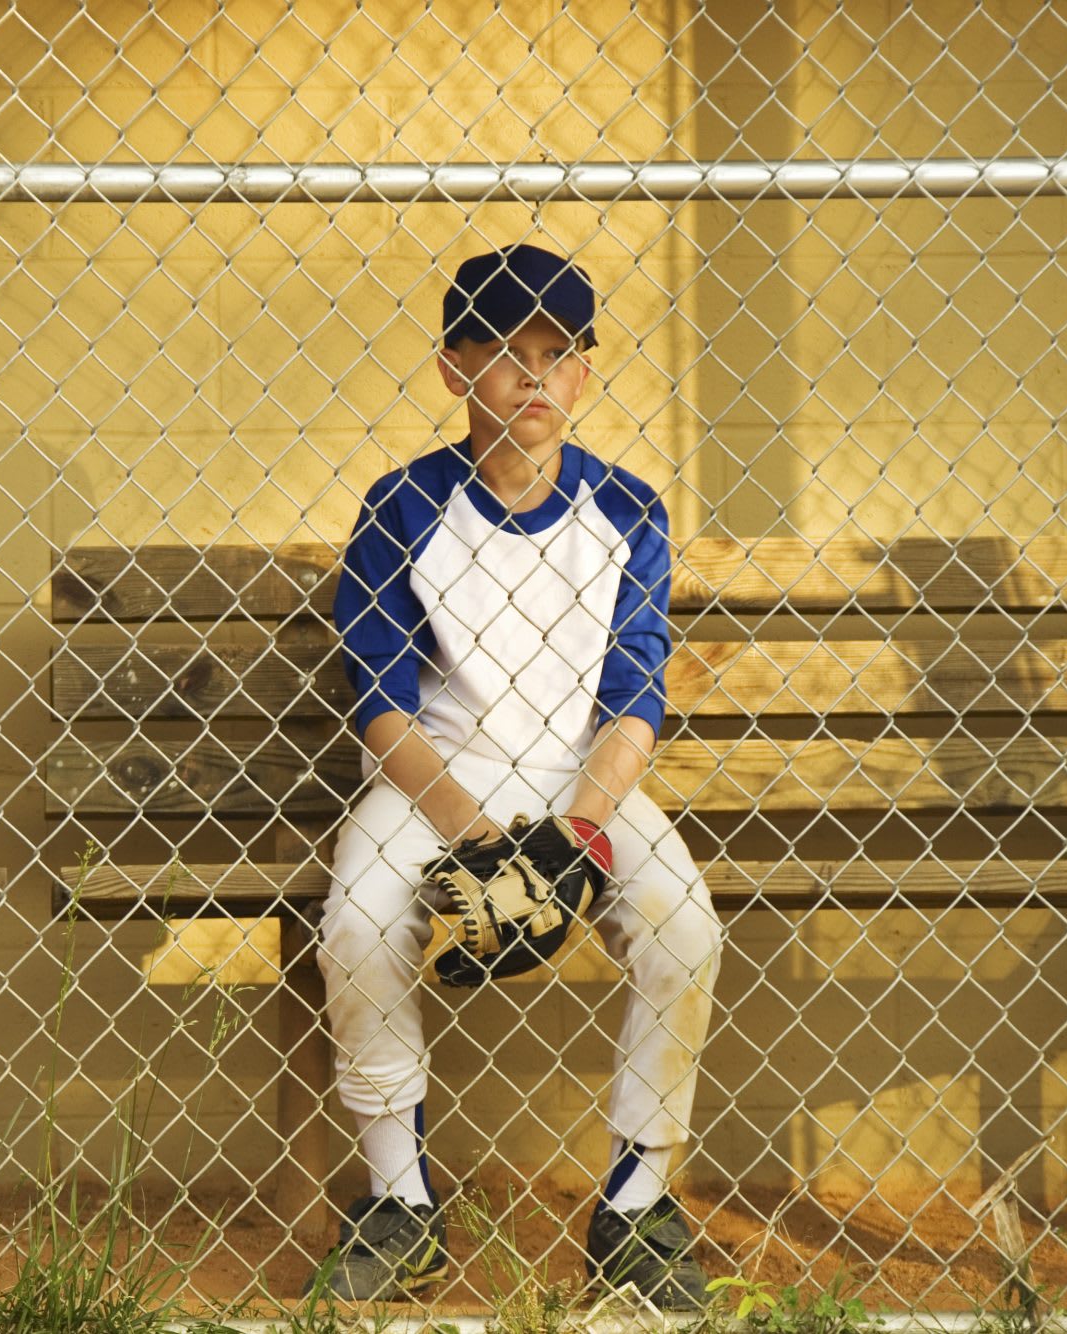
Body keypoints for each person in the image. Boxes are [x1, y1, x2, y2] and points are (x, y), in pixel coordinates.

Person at [307, 243, 724, 1308]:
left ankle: (635, 1201)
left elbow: (634, 700)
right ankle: (398, 1195)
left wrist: (575, 834)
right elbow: (384, 707)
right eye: (501, 350)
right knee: (356, 919)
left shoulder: (626, 506)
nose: (531, 374)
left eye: (556, 350)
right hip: (435, 774)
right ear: (453, 368)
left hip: (582, 776)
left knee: (684, 924)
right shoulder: (401, 503)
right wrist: (480, 836)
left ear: (584, 372)